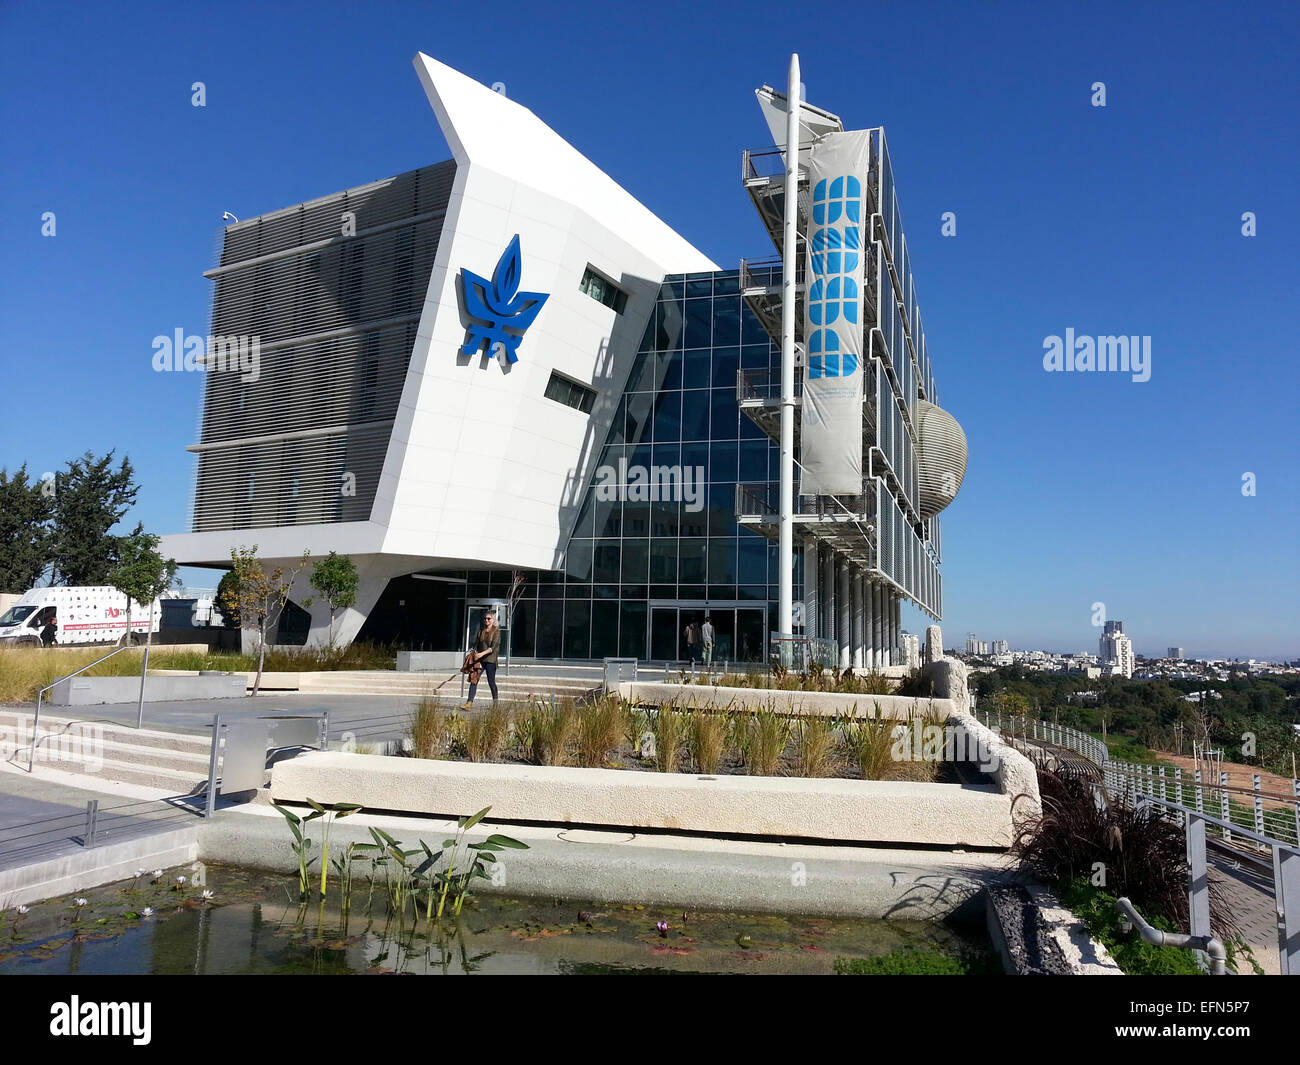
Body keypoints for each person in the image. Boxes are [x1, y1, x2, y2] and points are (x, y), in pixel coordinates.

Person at [460, 609, 500, 708]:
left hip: (490, 660)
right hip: (480, 660)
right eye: (485, 618)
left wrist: (481, 654)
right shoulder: (481, 631)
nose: (486, 620)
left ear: (493, 619)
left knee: (491, 682)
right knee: (474, 679)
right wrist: (474, 653)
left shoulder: (496, 632)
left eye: (489, 619)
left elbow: (493, 647)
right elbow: (477, 645)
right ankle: (469, 702)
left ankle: (495, 704)